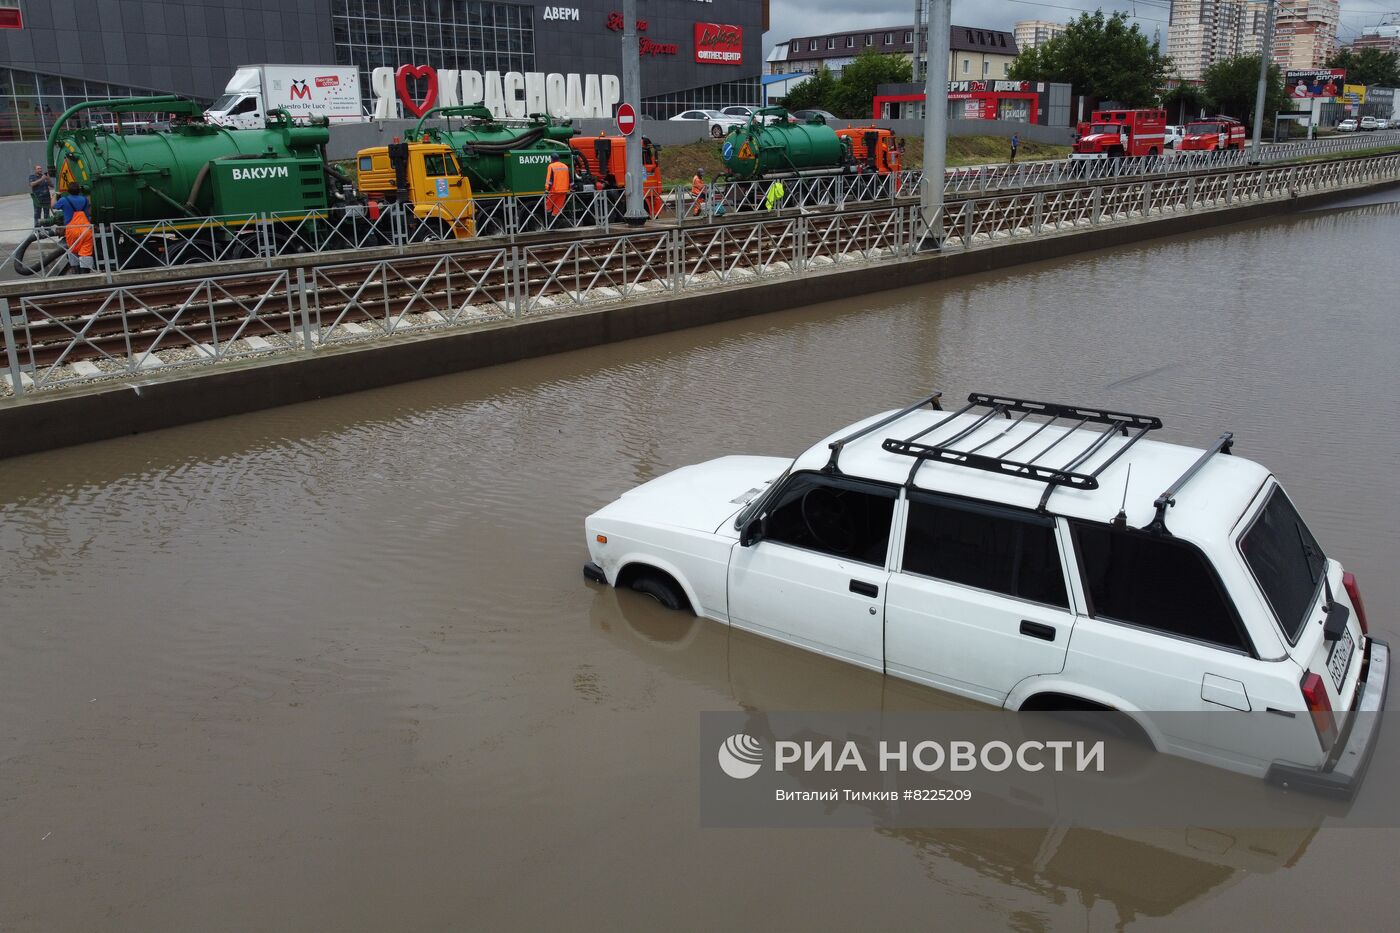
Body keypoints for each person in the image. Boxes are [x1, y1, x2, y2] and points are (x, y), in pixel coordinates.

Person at [53, 182, 95, 272]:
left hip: (71, 230)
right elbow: (90, 211)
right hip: (86, 229)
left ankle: (77, 273)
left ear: (68, 191)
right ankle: (86, 276)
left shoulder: (64, 200)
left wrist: (54, 195)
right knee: (86, 253)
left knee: (73, 251)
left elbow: (53, 205)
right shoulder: (85, 199)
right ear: (79, 191)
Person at [544, 151, 570, 218]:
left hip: (554, 191)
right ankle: (553, 223)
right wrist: (572, 188)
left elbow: (549, 179)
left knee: (547, 207)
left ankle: (549, 224)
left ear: (552, 159)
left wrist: (547, 189)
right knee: (557, 209)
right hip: (564, 191)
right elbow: (570, 178)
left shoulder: (551, 166)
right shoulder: (565, 166)